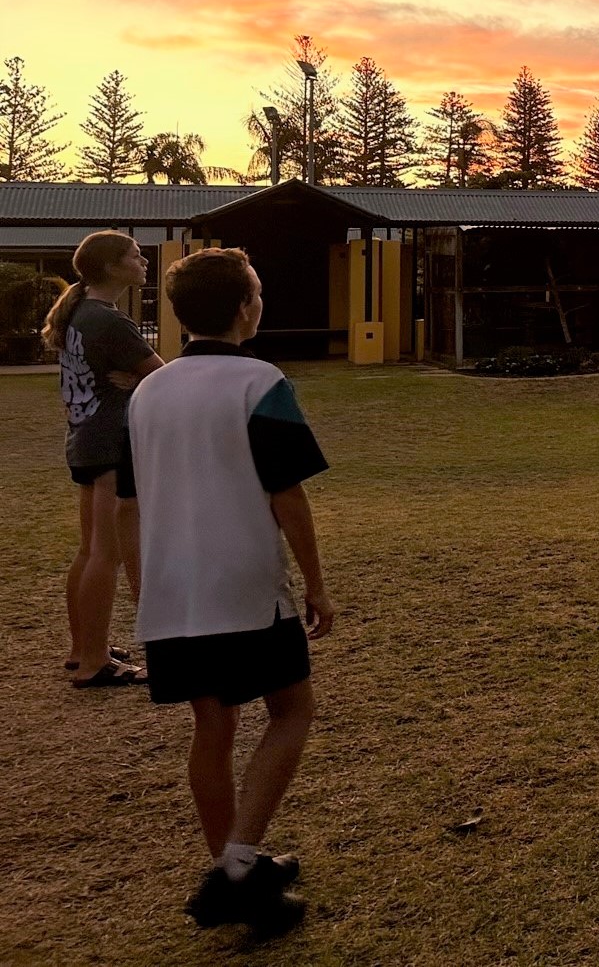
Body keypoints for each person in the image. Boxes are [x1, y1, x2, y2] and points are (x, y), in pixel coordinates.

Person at [127, 248, 332, 932]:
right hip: (242, 582)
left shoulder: (147, 390)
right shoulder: (259, 381)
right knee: (293, 709)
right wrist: (317, 583)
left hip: (172, 586)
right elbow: (288, 494)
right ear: (246, 307)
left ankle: (234, 867)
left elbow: (133, 497)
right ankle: (238, 863)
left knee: (212, 725)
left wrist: (142, 584)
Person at [45, 230, 163, 689]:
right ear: (112, 267)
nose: (143, 262)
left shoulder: (81, 312)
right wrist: (141, 383)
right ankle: (95, 661)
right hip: (110, 444)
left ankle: (83, 648)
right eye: (135, 256)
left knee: (90, 549)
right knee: (105, 555)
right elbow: (163, 376)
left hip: (86, 441)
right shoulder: (109, 321)